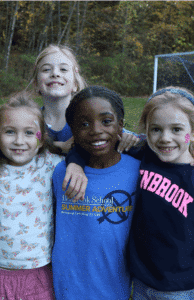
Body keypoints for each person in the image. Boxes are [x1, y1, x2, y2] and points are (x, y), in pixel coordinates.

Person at [0, 92, 82, 299]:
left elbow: (89, 151)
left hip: (37, 275)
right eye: (10, 132)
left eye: (29, 133)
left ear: (42, 136)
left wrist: (77, 163)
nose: (19, 141)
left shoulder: (53, 166)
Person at [52, 85, 141, 299]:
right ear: (72, 131)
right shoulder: (60, 172)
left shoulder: (138, 171)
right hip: (65, 289)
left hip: (114, 288)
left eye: (106, 121)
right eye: (84, 124)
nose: (95, 130)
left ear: (121, 125)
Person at [128, 87, 194, 299]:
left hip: (180, 287)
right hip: (141, 281)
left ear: (193, 132)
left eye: (177, 129)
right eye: (156, 129)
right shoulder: (143, 157)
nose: (165, 138)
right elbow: (99, 143)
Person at [29, 44, 140, 154]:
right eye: (46, 69)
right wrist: (60, 146)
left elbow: (135, 138)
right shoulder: (29, 121)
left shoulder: (89, 118)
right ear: (36, 83)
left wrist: (126, 137)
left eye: (63, 69)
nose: (55, 73)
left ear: (75, 84)